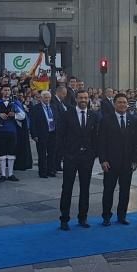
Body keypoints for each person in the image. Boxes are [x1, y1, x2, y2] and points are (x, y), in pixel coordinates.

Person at [57, 90, 98, 230]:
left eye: (85, 98)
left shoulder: (93, 115)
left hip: (87, 157)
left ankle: (83, 217)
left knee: (85, 188)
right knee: (67, 188)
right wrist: (64, 154)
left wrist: (93, 153)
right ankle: (64, 218)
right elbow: (60, 135)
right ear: (76, 99)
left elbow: (96, 136)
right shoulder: (67, 114)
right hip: (71, 156)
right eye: (81, 97)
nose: (83, 100)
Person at [98, 93, 137, 226]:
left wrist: (135, 160)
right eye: (120, 102)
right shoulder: (106, 120)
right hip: (110, 162)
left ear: (127, 104)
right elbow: (102, 142)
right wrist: (103, 160)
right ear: (114, 104)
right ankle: (106, 216)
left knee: (125, 191)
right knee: (108, 190)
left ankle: (122, 215)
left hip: (127, 162)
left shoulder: (133, 120)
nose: (122, 105)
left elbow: (136, 143)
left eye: (124, 102)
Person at [0, 85, 26, 182]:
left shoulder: (14, 103)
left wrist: (15, 115)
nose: (7, 92)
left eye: (8, 90)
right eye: (5, 90)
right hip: (0, 131)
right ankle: (3, 175)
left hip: (12, 131)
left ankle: (11, 174)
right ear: (1, 92)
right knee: (2, 153)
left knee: (11, 152)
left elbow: (23, 115)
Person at [30, 91, 59, 178]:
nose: (47, 99)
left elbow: (57, 118)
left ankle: (51, 170)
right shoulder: (36, 108)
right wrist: (34, 135)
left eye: (48, 97)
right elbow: (32, 122)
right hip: (41, 133)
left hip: (53, 133)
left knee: (52, 153)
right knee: (42, 154)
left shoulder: (53, 107)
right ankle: (43, 172)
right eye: (45, 97)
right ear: (41, 98)